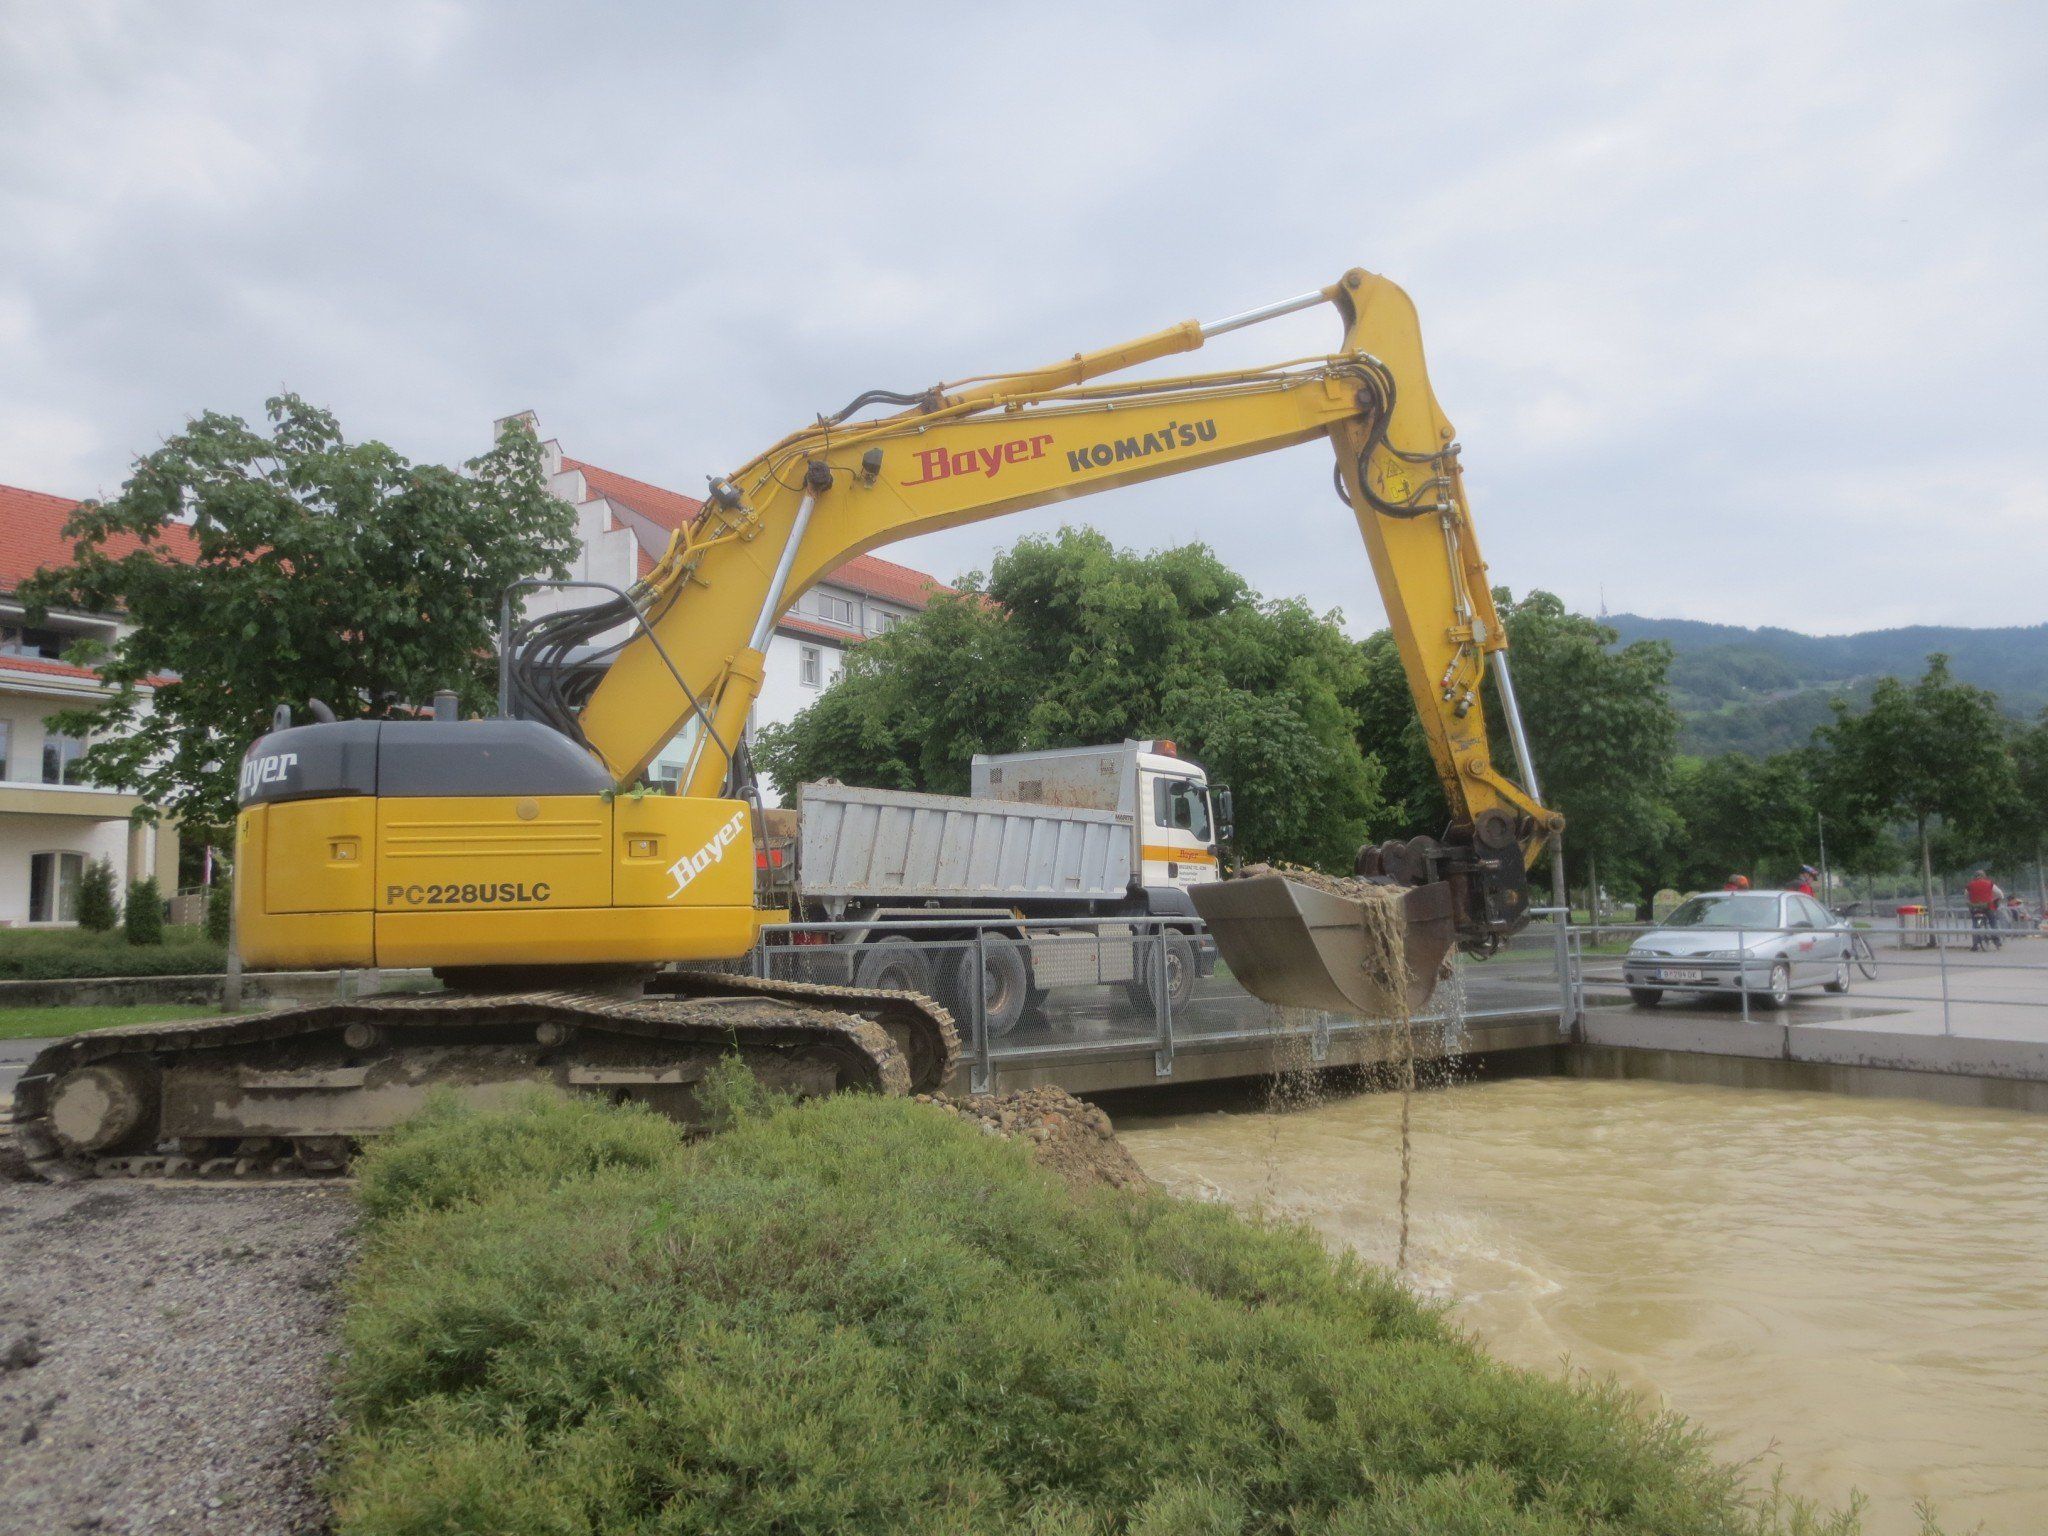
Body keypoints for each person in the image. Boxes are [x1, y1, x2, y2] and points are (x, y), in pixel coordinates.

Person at [1965, 870, 2002, 951]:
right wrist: (1994, 899)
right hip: (1987, 907)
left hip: (1976, 909)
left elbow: (1966, 896)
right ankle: (1997, 940)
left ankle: (1975, 944)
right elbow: (2000, 894)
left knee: (1976, 924)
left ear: (1975, 877)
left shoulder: (1970, 885)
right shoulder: (1989, 883)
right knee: (1993, 922)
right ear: (1984, 876)